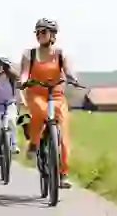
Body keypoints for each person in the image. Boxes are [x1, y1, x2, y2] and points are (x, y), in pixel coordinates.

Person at [19, 18, 80, 189]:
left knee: (63, 137)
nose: (39, 35)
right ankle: (34, 142)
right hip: (36, 93)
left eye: (43, 32)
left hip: (57, 95)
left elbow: (67, 71)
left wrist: (73, 79)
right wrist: (23, 81)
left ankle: (62, 174)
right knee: (39, 112)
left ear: (52, 35)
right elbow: (24, 73)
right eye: (37, 32)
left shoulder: (60, 54)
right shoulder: (29, 54)